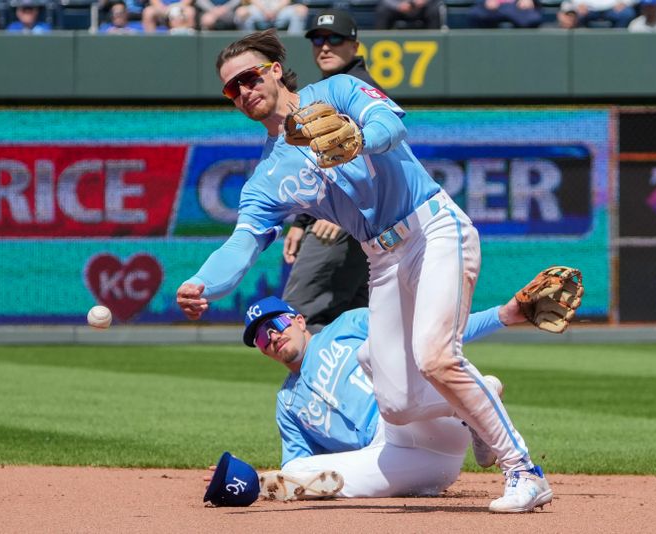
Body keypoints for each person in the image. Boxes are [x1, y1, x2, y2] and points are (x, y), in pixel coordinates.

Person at [177, 29, 552, 513]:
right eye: (231, 89)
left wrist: (359, 139)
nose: (243, 91)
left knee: (436, 357)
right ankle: (480, 408)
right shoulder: (266, 177)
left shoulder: (334, 91)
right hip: (382, 258)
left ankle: (523, 471)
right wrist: (202, 282)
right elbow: (243, 242)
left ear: (274, 69)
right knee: (397, 404)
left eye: (248, 77)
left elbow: (391, 125)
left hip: (431, 226)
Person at [241, 291, 531, 499]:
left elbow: (431, 336)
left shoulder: (347, 325)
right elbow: (297, 469)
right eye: (262, 338)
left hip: (425, 420)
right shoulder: (287, 403)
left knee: (371, 352)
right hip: (406, 462)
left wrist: (502, 315)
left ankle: (472, 403)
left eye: (276, 325)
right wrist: (245, 480)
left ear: (299, 321)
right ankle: (476, 405)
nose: (273, 337)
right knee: (294, 468)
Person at [281, 10, 380, 332]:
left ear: (355, 45)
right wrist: (302, 220)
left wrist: (341, 213)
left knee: (299, 320)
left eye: (335, 38)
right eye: (318, 39)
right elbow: (321, 165)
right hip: (346, 222)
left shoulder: (359, 88)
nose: (325, 46)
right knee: (356, 324)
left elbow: (379, 160)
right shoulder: (329, 89)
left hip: (345, 223)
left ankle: (314, 384)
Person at [234, 0, 308, 34]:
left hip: (281, 11)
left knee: (302, 10)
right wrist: (264, 11)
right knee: (241, 12)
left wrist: (275, 11)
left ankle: (293, 41)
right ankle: (248, 43)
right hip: (259, 10)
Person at [466, 0, 543, 29]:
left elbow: (535, 19)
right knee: (475, 14)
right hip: (491, 10)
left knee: (532, 18)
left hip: (518, 8)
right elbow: (474, 13)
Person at [374, 0, 445, 29]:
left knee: (434, 9)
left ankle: (434, 39)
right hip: (399, 8)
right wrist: (398, 6)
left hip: (422, 8)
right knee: (383, 9)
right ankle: (380, 40)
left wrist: (424, 1)